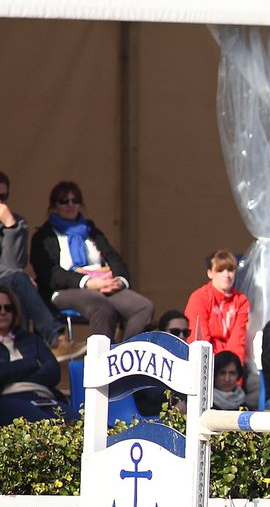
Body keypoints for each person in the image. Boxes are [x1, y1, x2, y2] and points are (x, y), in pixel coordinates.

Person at [30, 181, 155, 341]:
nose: (70, 205)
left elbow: (114, 259)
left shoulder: (91, 232)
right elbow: (50, 274)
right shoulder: (44, 236)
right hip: (64, 290)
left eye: (75, 201)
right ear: (54, 206)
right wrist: (87, 282)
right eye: (64, 201)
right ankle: (101, 361)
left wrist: (119, 281)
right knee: (101, 306)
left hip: (103, 286)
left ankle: (124, 355)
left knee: (143, 307)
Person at [0, 172, 65, 349]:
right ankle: (53, 340)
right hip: (8, 282)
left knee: (19, 285)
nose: (0, 203)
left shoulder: (17, 223)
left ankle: (20, 355)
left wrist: (10, 227)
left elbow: (14, 265)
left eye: (3, 197)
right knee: (20, 282)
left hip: (7, 284)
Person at [0, 285, 63, 426]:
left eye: (8, 308)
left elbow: (53, 372)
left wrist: (12, 376)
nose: (3, 312)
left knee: (81, 425)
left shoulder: (30, 339)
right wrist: (31, 363)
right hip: (10, 399)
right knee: (51, 428)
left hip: (45, 397)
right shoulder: (31, 360)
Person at [184, 249, 249, 364]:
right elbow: (199, 338)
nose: (226, 275)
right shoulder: (199, 297)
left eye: (230, 270)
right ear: (210, 273)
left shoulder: (241, 300)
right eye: (220, 270)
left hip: (231, 363)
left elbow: (238, 340)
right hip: (204, 362)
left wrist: (233, 371)